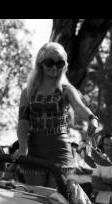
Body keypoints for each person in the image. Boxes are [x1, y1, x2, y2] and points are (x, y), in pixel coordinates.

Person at [14, 42, 99, 189]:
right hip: (34, 150)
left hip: (61, 152)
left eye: (59, 63)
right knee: (37, 199)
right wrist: (22, 147)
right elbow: (23, 122)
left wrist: (92, 118)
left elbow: (79, 107)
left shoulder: (66, 90)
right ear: (40, 63)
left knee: (56, 199)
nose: (54, 67)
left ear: (64, 65)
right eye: (49, 62)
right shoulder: (28, 92)